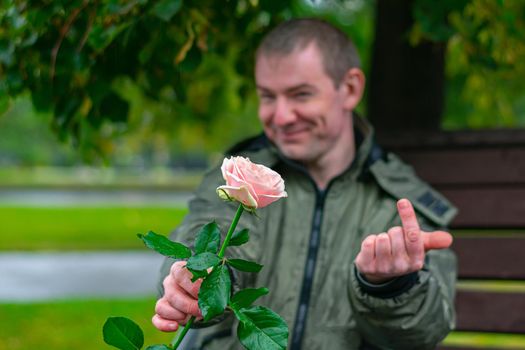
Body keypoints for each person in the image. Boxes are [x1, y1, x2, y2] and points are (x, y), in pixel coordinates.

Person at [153, 18, 457, 350]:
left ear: (350, 89)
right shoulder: (238, 174)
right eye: (267, 97)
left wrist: (389, 287)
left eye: (301, 94)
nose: (281, 116)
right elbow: (206, 234)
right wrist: (194, 279)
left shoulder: (400, 200)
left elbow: (426, 331)